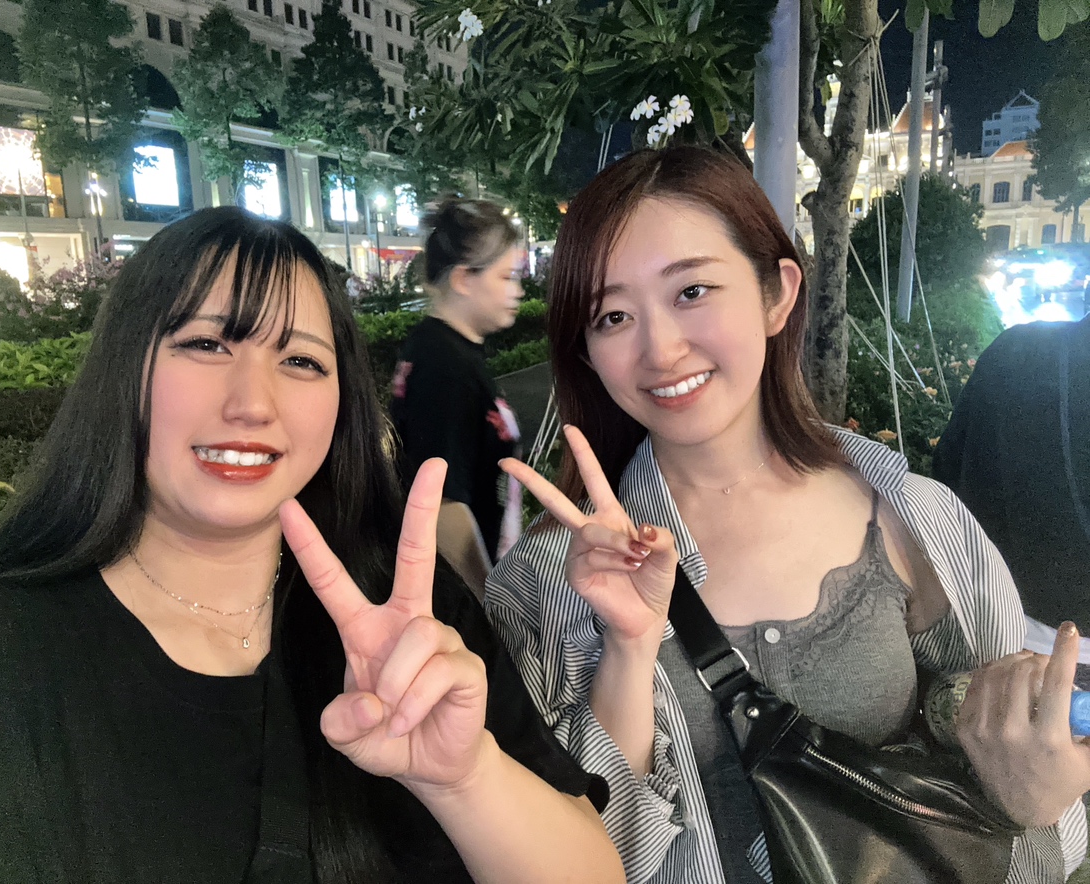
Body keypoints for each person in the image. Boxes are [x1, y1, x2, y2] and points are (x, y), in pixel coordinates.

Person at [0, 207, 624, 884]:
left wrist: (466, 778)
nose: (252, 403)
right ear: (122, 368)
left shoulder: (408, 613)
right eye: (205, 344)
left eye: (302, 361)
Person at [485, 145, 1090, 883]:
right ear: (585, 348)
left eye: (692, 291)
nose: (660, 349)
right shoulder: (548, 580)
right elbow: (588, 862)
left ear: (777, 294)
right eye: (612, 315)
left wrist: (1038, 796)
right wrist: (628, 651)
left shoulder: (910, 518)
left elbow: (1009, 802)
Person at [934, 314, 1090, 685]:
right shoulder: (1019, 351)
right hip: (1002, 643)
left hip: (991, 644)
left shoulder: (1018, 351)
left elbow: (944, 488)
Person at [391, 198, 526, 596]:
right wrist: (489, 609)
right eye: (507, 277)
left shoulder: (441, 349)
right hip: (460, 596)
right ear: (464, 279)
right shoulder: (444, 367)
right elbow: (441, 506)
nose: (518, 291)